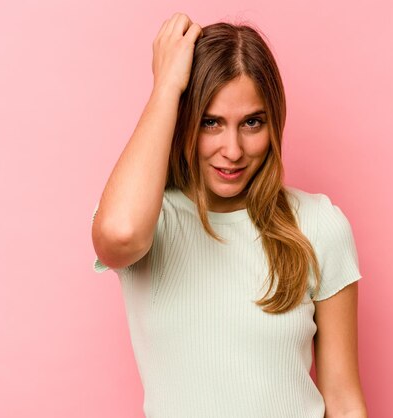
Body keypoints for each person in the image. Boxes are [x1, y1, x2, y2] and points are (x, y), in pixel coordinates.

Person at [91, 12, 368, 418]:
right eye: (210, 123)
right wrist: (167, 87)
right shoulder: (154, 222)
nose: (233, 150)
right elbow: (119, 234)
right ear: (184, 121)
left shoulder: (319, 225)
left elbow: (343, 402)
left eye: (252, 122)